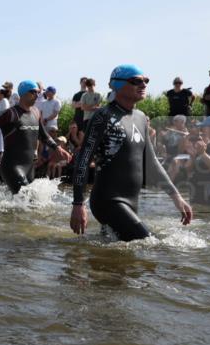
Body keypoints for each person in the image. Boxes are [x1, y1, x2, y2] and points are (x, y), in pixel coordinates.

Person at [70, 65, 192, 241]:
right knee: (149, 243)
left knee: (119, 258)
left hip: (131, 201)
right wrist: (77, 204)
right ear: (117, 85)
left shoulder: (141, 117)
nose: (143, 85)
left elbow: (151, 162)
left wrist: (176, 196)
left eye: (145, 81)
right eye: (136, 81)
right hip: (108, 201)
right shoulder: (103, 116)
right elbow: (83, 159)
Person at [0, 81, 71, 193]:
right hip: (11, 166)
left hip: (29, 168)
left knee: (28, 203)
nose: (37, 95)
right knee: (25, 198)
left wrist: (57, 148)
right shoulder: (11, 114)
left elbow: (43, 135)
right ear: (23, 93)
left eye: (38, 92)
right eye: (33, 92)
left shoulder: (36, 112)